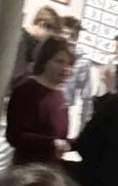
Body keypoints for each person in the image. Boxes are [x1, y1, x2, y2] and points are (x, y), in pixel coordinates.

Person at [6, 36, 74, 166]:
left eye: (70, 64)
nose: (66, 68)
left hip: (50, 167)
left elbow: (59, 135)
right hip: (28, 167)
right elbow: (15, 136)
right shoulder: (27, 91)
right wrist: (51, 143)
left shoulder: (59, 95)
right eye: (59, 62)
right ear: (45, 61)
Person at [9, 5, 60, 90]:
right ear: (41, 24)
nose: (48, 41)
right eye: (49, 36)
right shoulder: (20, 41)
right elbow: (15, 76)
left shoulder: (32, 45)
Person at [58, 15, 95, 135]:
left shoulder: (82, 61)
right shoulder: (48, 52)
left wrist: (84, 131)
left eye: (72, 35)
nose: (67, 39)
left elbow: (87, 98)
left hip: (61, 111)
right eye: (64, 33)